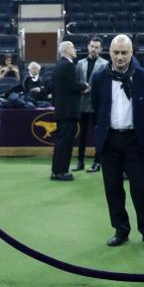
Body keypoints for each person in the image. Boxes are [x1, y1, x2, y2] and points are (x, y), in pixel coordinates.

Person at [91, 35, 144, 248]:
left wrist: (137, 124)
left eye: (124, 52)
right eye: (116, 52)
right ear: (109, 53)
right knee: (112, 189)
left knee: (141, 187)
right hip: (109, 140)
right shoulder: (99, 77)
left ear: (132, 53)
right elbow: (97, 106)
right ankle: (121, 230)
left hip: (134, 141)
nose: (120, 57)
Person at [50, 40, 83, 181]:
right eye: (73, 47)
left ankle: (56, 171)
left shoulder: (58, 66)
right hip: (69, 111)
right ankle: (61, 172)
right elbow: (74, 86)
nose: (75, 50)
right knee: (66, 143)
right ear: (66, 50)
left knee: (60, 142)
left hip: (61, 110)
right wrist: (85, 86)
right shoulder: (69, 66)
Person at [75, 37, 107, 172]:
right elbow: (76, 81)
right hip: (81, 104)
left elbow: (105, 84)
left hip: (96, 105)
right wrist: (81, 88)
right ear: (88, 47)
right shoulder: (80, 63)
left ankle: (97, 162)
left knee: (97, 135)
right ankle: (80, 161)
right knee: (81, 134)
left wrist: (92, 89)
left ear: (100, 49)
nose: (94, 49)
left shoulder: (105, 64)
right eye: (92, 46)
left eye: (96, 47)